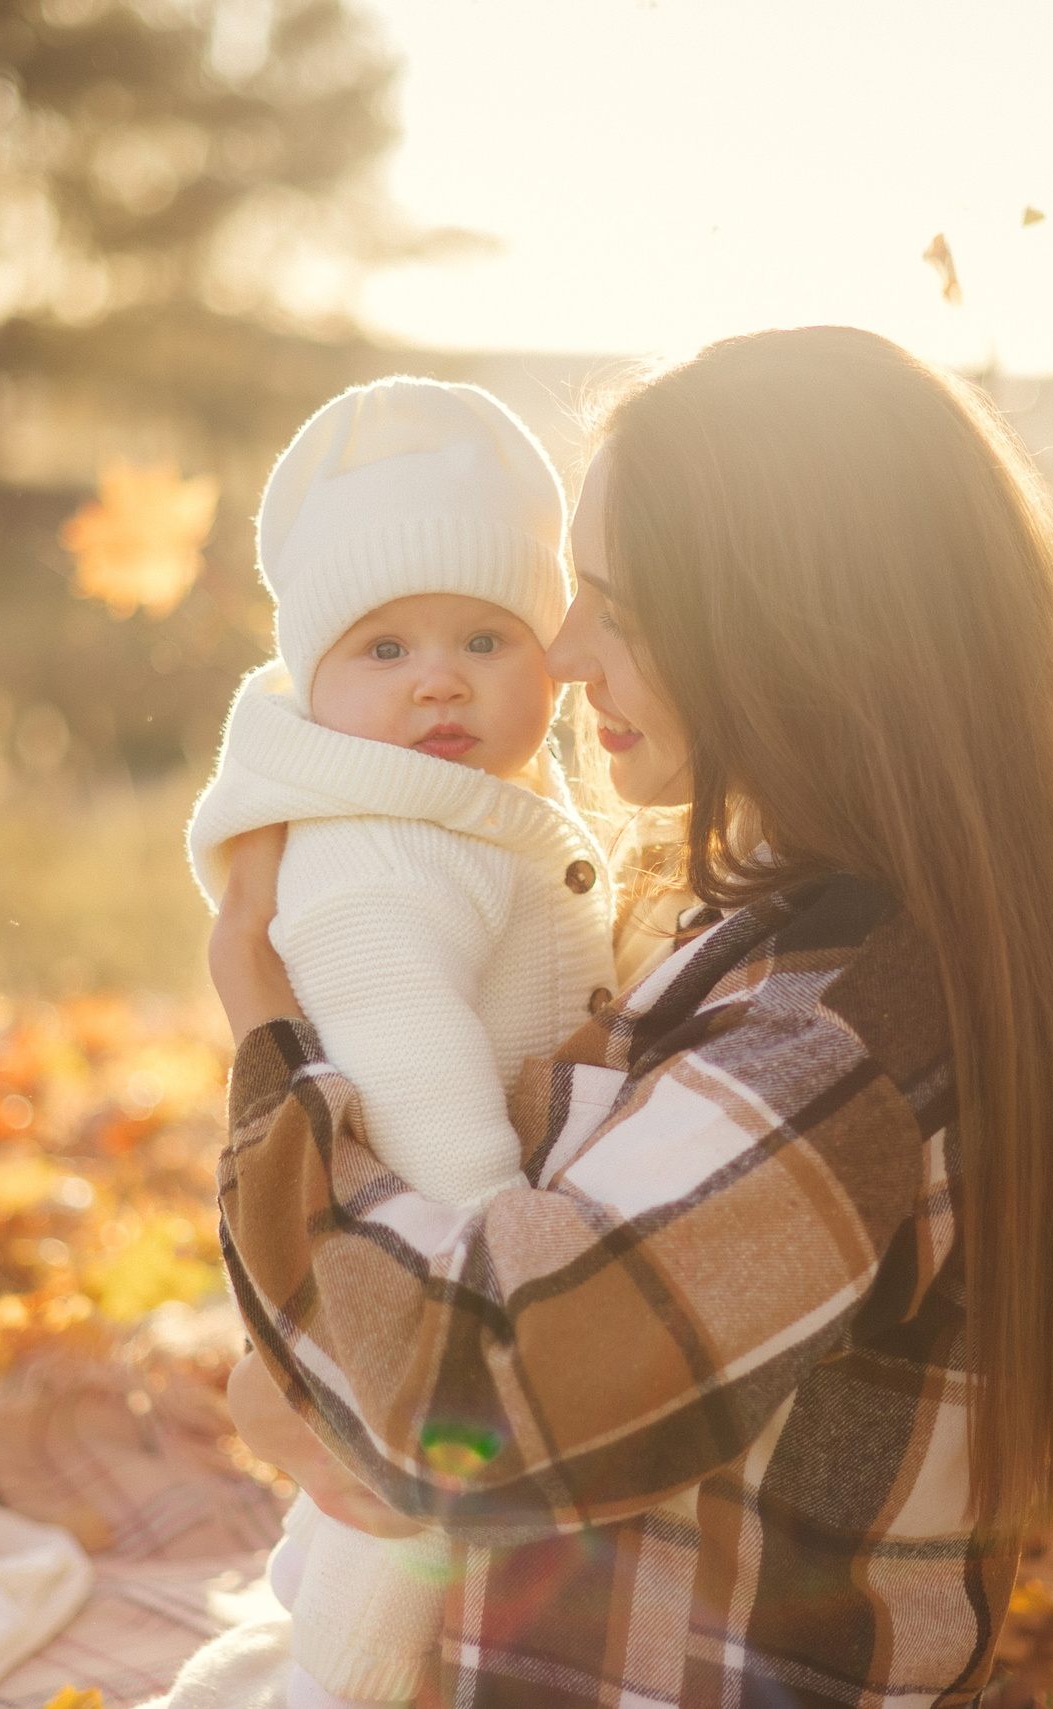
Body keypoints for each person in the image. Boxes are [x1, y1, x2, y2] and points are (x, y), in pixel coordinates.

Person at [210, 327, 1053, 1707]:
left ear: (783, 634)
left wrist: (264, 1029)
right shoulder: (762, 925)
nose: (562, 650)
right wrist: (311, 1381)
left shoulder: (840, 1036)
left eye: (619, 608)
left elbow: (482, 1395)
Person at [187, 376, 618, 1709]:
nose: (440, 678)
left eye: (487, 638)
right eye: (384, 649)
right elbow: (412, 1065)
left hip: (437, 1246)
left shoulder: (465, 809)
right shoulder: (379, 851)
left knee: (383, 1505)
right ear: (311, 679)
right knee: (398, 1529)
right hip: (436, 1258)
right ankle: (341, 1678)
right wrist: (498, 1242)